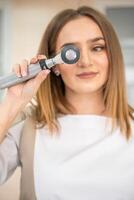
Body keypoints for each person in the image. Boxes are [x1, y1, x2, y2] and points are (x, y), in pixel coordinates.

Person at [0, 5, 134, 200]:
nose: (85, 62)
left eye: (97, 48)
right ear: (55, 66)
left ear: (111, 56)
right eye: (71, 52)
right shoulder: (27, 128)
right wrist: (12, 102)